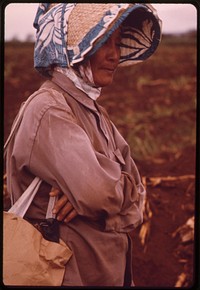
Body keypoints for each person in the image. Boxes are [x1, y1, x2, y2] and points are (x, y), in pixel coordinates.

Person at [5, 3, 162, 286]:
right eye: (104, 43)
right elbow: (98, 193)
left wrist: (96, 197)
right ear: (74, 48)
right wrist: (100, 194)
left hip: (104, 273)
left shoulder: (92, 110)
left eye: (117, 44)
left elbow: (137, 194)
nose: (115, 56)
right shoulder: (50, 109)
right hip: (69, 274)